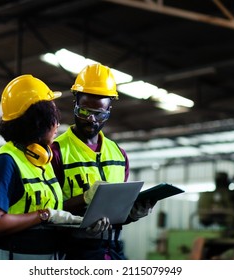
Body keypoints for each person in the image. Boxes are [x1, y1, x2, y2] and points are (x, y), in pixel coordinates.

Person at [51, 63, 156, 260]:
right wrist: (84, 201)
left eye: (99, 114)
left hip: (111, 251)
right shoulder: (56, 152)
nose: (91, 119)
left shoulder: (119, 155)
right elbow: (47, 211)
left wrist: (132, 213)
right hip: (71, 254)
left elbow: (117, 214)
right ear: (75, 103)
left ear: (109, 110)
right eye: (84, 111)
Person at [0, 74, 84, 260]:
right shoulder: (6, 162)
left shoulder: (41, 162)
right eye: (53, 118)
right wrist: (44, 215)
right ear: (38, 122)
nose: (57, 125)